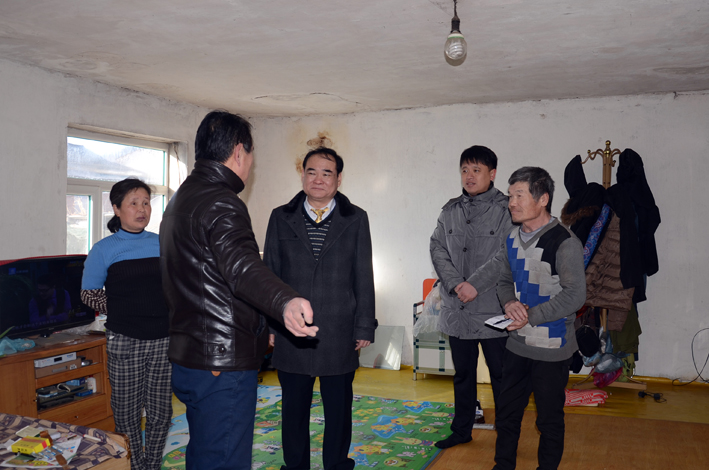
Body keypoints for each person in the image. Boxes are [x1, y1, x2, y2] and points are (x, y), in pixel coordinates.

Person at [159, 111, 319, 470]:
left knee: (204, 454)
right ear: (238, 152)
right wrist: (285, 301)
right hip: (221, 361)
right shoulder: (222, 201)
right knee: (224, 459)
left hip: (189, 356)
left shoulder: (181, 199)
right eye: (251, 154)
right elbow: (242, 268)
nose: (251, 164)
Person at [263, 147, 376, 470]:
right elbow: (269, 274)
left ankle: (337, 465)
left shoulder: (356, 218)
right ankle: (295, 466)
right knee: (293, 409)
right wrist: (270, 326)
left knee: (338, 410)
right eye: (311, 171)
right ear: (302, 175)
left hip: (339, 330)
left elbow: (363, 275)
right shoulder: (280, 217)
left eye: (327, 173)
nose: (318, 179)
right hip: (292, 331)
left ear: (339, 179)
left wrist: (364, 326)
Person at [468, 167, 586, 470]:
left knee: (548, 420)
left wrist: (530, 316)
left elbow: (575, 296)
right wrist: (509, 302)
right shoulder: (512, 238)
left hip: (552, 349)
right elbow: (504, 280)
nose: (512, 203)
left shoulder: (564, 242)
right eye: (510, 196)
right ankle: (503, 465)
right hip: (517, 345)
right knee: (507, 415)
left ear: (543, 199)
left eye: (519, 195)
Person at [81, 178, 171, 470]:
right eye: (134, 203)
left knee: (161, 413)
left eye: (146, 203)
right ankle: (134, 466)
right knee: (127, 414)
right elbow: (89, 294)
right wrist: (124, 309)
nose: (142, 209)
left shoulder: (162, 242)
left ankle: (152, 465)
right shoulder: (104, 249)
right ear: (117, 208)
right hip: (126, 340)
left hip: (164, 340)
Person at [429, 145, 513, 449]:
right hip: (457, 308)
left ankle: (508, 434)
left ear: (492, 174)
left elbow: (508, 253)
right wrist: (455, 284)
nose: (469, 176)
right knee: (463, 375)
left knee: (501, 375)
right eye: (465, 170)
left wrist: (475, 285)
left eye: (476, 170)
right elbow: (437, 247)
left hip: (492, 308)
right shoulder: (450, 211)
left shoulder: (506, 210)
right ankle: (462, 430)